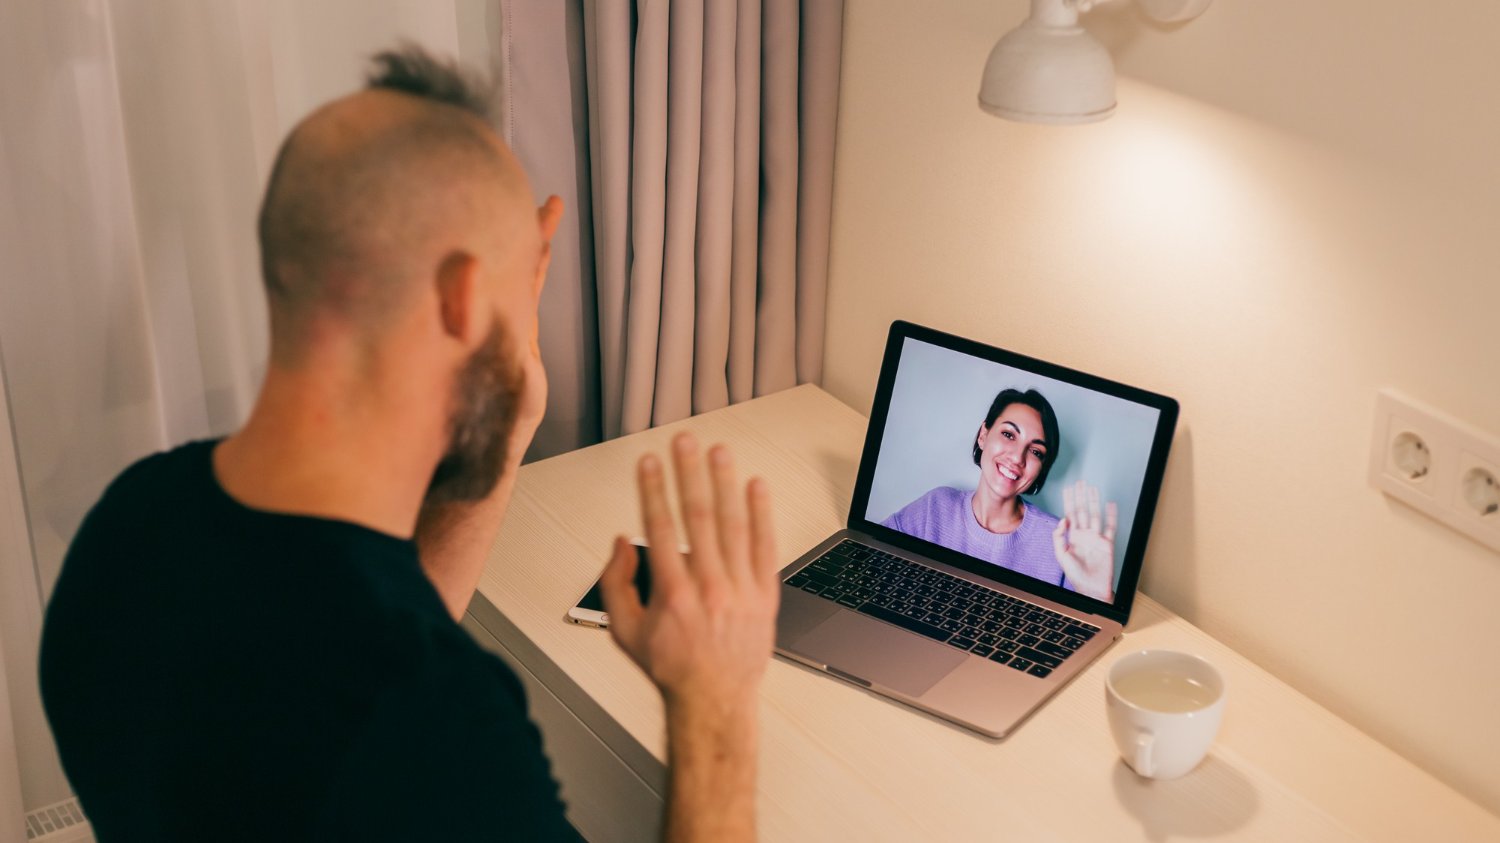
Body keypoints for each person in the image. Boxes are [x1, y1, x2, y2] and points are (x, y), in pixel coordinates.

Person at [38, 46, 779, 842]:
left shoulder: (129, 528)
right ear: (460, 297)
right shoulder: (434, 732)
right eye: (516, 280)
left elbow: (364, 618)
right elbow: (386, 692)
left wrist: (513, 409)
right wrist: (716, 706)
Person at [881, 388, 1118, 601]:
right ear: (983, 435)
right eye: (1009, 434)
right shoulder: (936, 507)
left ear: (1041, 468)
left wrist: (1098, 598)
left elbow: (1088, 634)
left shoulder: (1061, 542)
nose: (1017, 457)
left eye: (1036, 451)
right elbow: (872, 555)